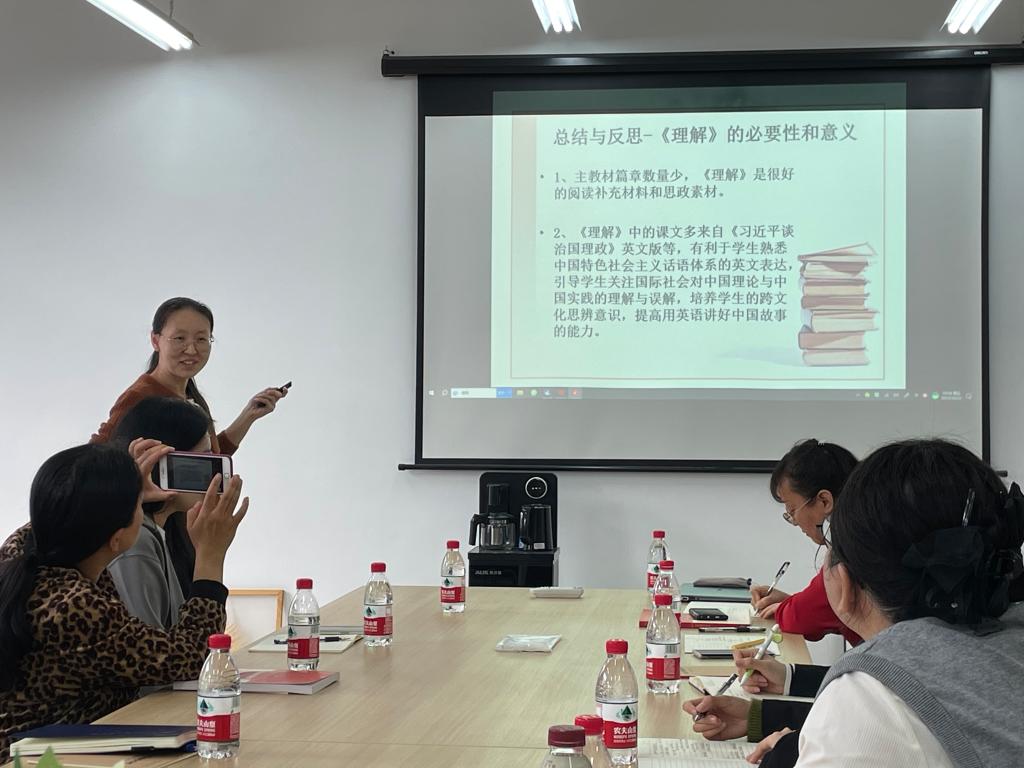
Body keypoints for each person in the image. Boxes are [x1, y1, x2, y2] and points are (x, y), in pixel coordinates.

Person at [687, 439, 1024, 767]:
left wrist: (780, 758)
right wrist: (762, 713)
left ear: (845, 582)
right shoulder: (1006, 642)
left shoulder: (867, 697)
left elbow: (876, 715)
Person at [0, 442, 249, 761]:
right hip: (45, 761)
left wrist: (119, 489)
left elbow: (53, 514)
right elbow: (191, 659)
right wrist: (210, 555)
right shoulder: (74, 607)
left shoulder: (17, 554)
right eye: (137, 507)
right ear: (116, 538)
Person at [91, 296, 288, 454]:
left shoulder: (190, 396)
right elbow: (94, 457)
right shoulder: (141, 395)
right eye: (179, 338)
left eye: (201, 339)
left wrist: (249, 415)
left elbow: (207, 460)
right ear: (155, 340)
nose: (192, 350)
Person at [108, 396, 215, 627]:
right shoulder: (136, 541)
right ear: (162, 462)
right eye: (203, 459)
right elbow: (154, 650)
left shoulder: (162, 532)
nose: (211, 475)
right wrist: (211, 553)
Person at [750, 439, 861, 645]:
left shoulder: (851, 550)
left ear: (824, 501)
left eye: (792, 510)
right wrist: (789, 602)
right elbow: (822, 607)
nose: (794, 522)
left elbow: (802, 617)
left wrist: (787, 609)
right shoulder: (865, 535)